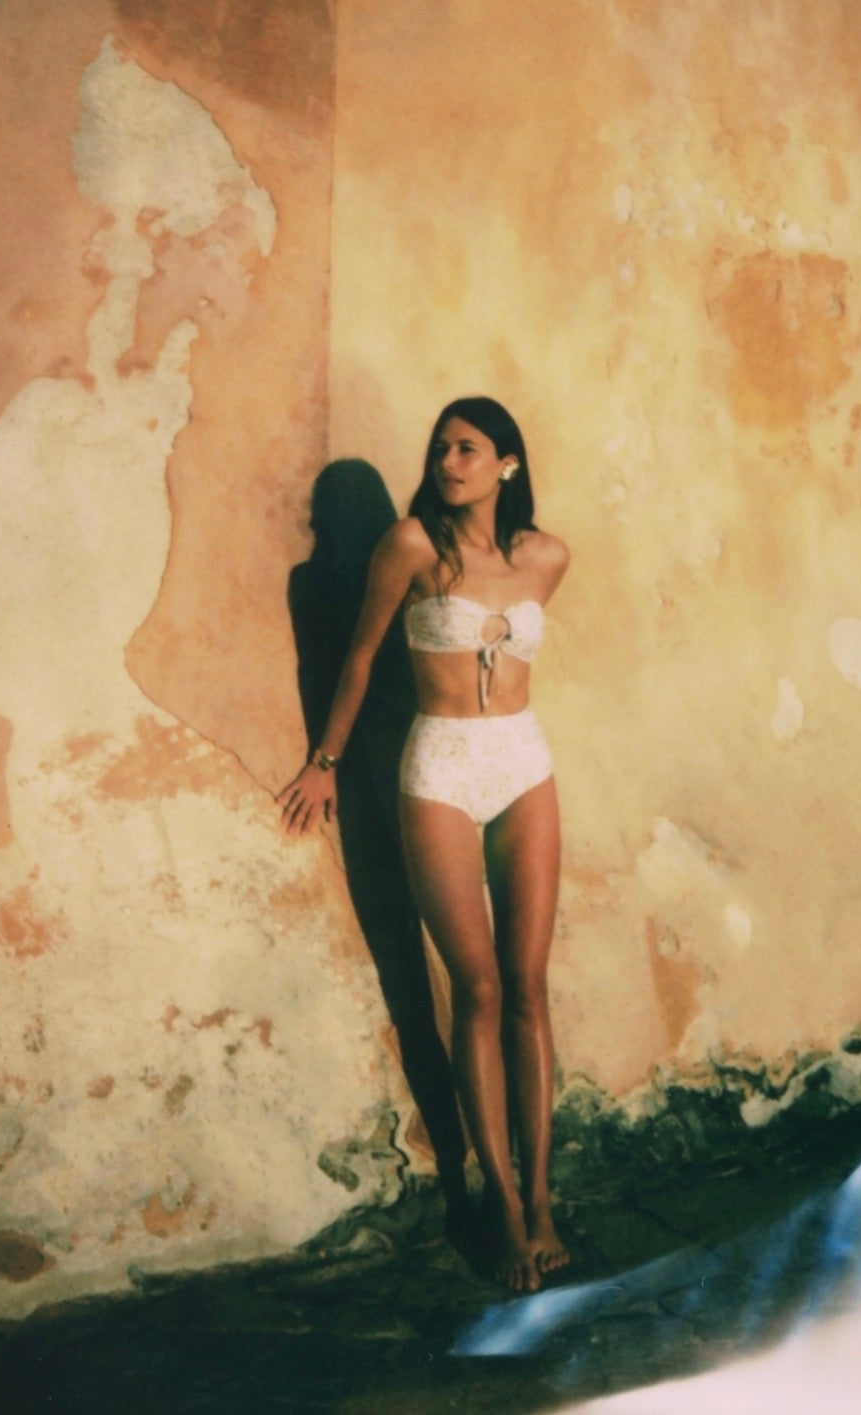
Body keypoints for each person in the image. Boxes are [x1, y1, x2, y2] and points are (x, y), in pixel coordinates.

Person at [279, 396, 570, 1294]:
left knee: (527, 988)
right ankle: (498, 1206)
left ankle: (543, 1198)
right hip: (440, 764)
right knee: (473, 990)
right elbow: (359, 657)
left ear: (507, 464)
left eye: (467, 448)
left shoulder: (545, 557)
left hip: (522, 762)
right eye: (441, 447)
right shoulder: (408, 546)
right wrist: (324, 761)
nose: (448, 461)